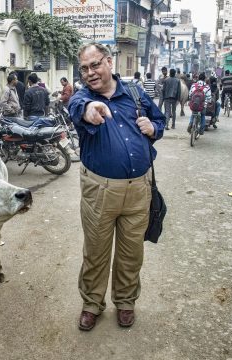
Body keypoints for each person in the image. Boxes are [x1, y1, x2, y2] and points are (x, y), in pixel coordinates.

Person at [68, 42, 165, 331]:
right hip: (100, 190)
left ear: (109, 62)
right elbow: (77, 108)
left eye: (95, 64)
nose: (90, 73)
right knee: (96, 252)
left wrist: (154, 128)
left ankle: (125, 301)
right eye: (84, 68)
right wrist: (89, 109)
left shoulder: (135, 93)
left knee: (131, 252)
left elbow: (159, 120)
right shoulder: (82, 98)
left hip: (139, 189)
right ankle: (92, 304)